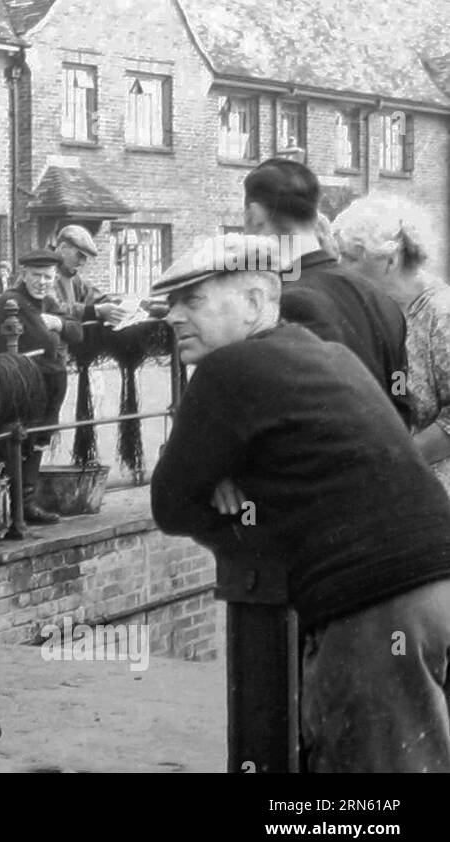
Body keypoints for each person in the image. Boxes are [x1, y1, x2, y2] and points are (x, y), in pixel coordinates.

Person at [150, 232, 450, 772]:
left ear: (254, 302)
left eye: (193, 301)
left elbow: (170, 504)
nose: (173, 316)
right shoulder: (329, 354)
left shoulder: (227, 370)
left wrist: (239, 508)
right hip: (434, 582)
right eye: (172, 303)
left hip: (374, 600)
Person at [242, 158, 411, 425]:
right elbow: (400, 390)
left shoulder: (284, 303)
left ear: (254, 215)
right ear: (312, 214)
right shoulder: (383, 300)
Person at [333, 197, 450, 491]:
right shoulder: (366, 309)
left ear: (389, 260)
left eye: (351, 257)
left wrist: (391, 461)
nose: (339, 267)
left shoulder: (442, 313)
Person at [0, 249, 77, 525]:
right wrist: (56, 331)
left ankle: (22, 505)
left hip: (22, 386)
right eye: (36, 276)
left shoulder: (41, 303)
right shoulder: (14, 302)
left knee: (33, 440)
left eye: (48, 277)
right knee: (1, 444)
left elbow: (79, 332)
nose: (43, 282)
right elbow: (50, 345)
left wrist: (59, 323)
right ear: (23, 276)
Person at [51, 225, 130, 327]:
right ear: (63, 248)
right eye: (80, 255)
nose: (82, 263)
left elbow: (93, 296)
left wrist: (120, 305)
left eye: (85, 258)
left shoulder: (74, 279)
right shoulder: (44, 274)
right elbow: (55, 308)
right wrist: (96, 310)